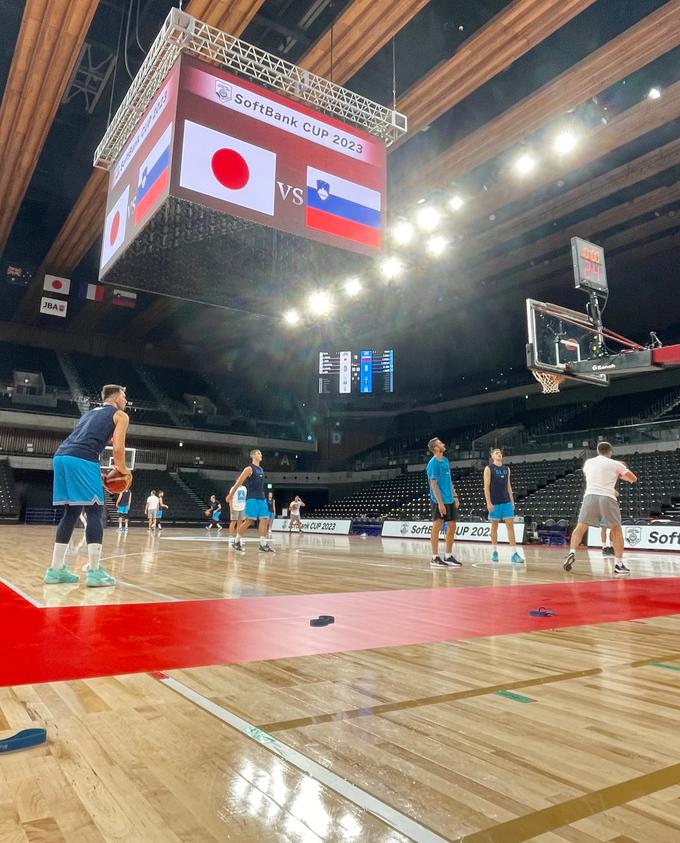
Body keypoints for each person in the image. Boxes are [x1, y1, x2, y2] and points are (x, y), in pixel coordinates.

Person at [45, 384, 130, 587]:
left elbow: (82, 442)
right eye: (125, 396)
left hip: (61, 457)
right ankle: (94, 572)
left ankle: (55, 571)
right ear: (117, 397)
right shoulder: (120, 415)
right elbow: (118, 448)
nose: (126, 401)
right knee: (94, 512)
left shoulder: (89, 414)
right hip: (82, 459)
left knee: (71, 514)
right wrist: (124, 471)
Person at [564, 442, 637, 575]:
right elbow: (633, 478)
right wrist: (619, 475)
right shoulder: (616, 464)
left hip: (590, 496)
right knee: (616, 529)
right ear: (611, 451)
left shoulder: (589, 463)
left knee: (580, 526)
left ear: (598, 451)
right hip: (607, 497)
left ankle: (571, 552)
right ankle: (618, 564)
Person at [228, 449, 274, 553]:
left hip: (262, 498)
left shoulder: (261, 469)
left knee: (265, 519)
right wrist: (230, 495)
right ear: (253, 456)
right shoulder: (249, 469)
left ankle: (263, 544)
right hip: (252, 498)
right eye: (258, 453)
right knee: (249, 521)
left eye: (261, 453)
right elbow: (239, 482)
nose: (261, 455)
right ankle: (236, 541)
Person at [483, 448, 524, 564]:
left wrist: (512, 501)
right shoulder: (488, 469)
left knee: (510, 527)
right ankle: (494, 551)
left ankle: (514, 554)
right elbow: (486, 487)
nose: (499, 454)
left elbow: (508, 486)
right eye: (496, 453)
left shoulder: (507, 469)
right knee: (494, 527)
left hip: (506, 501)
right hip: (494, 502)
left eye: (500, 453)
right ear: (492, 456)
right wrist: (488, 503)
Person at [426, 437, 461, 568]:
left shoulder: (445, 460)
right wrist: (440, 503)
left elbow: (449, 480)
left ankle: (448, 555)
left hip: (449, 499)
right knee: (437, 525)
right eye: (440, 443)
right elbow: (433, 484)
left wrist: (455, 495)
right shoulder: (433, 463)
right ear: (435, 448)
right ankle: (434, 557)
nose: (443, 444)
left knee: (452, 526)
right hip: (438, 500)